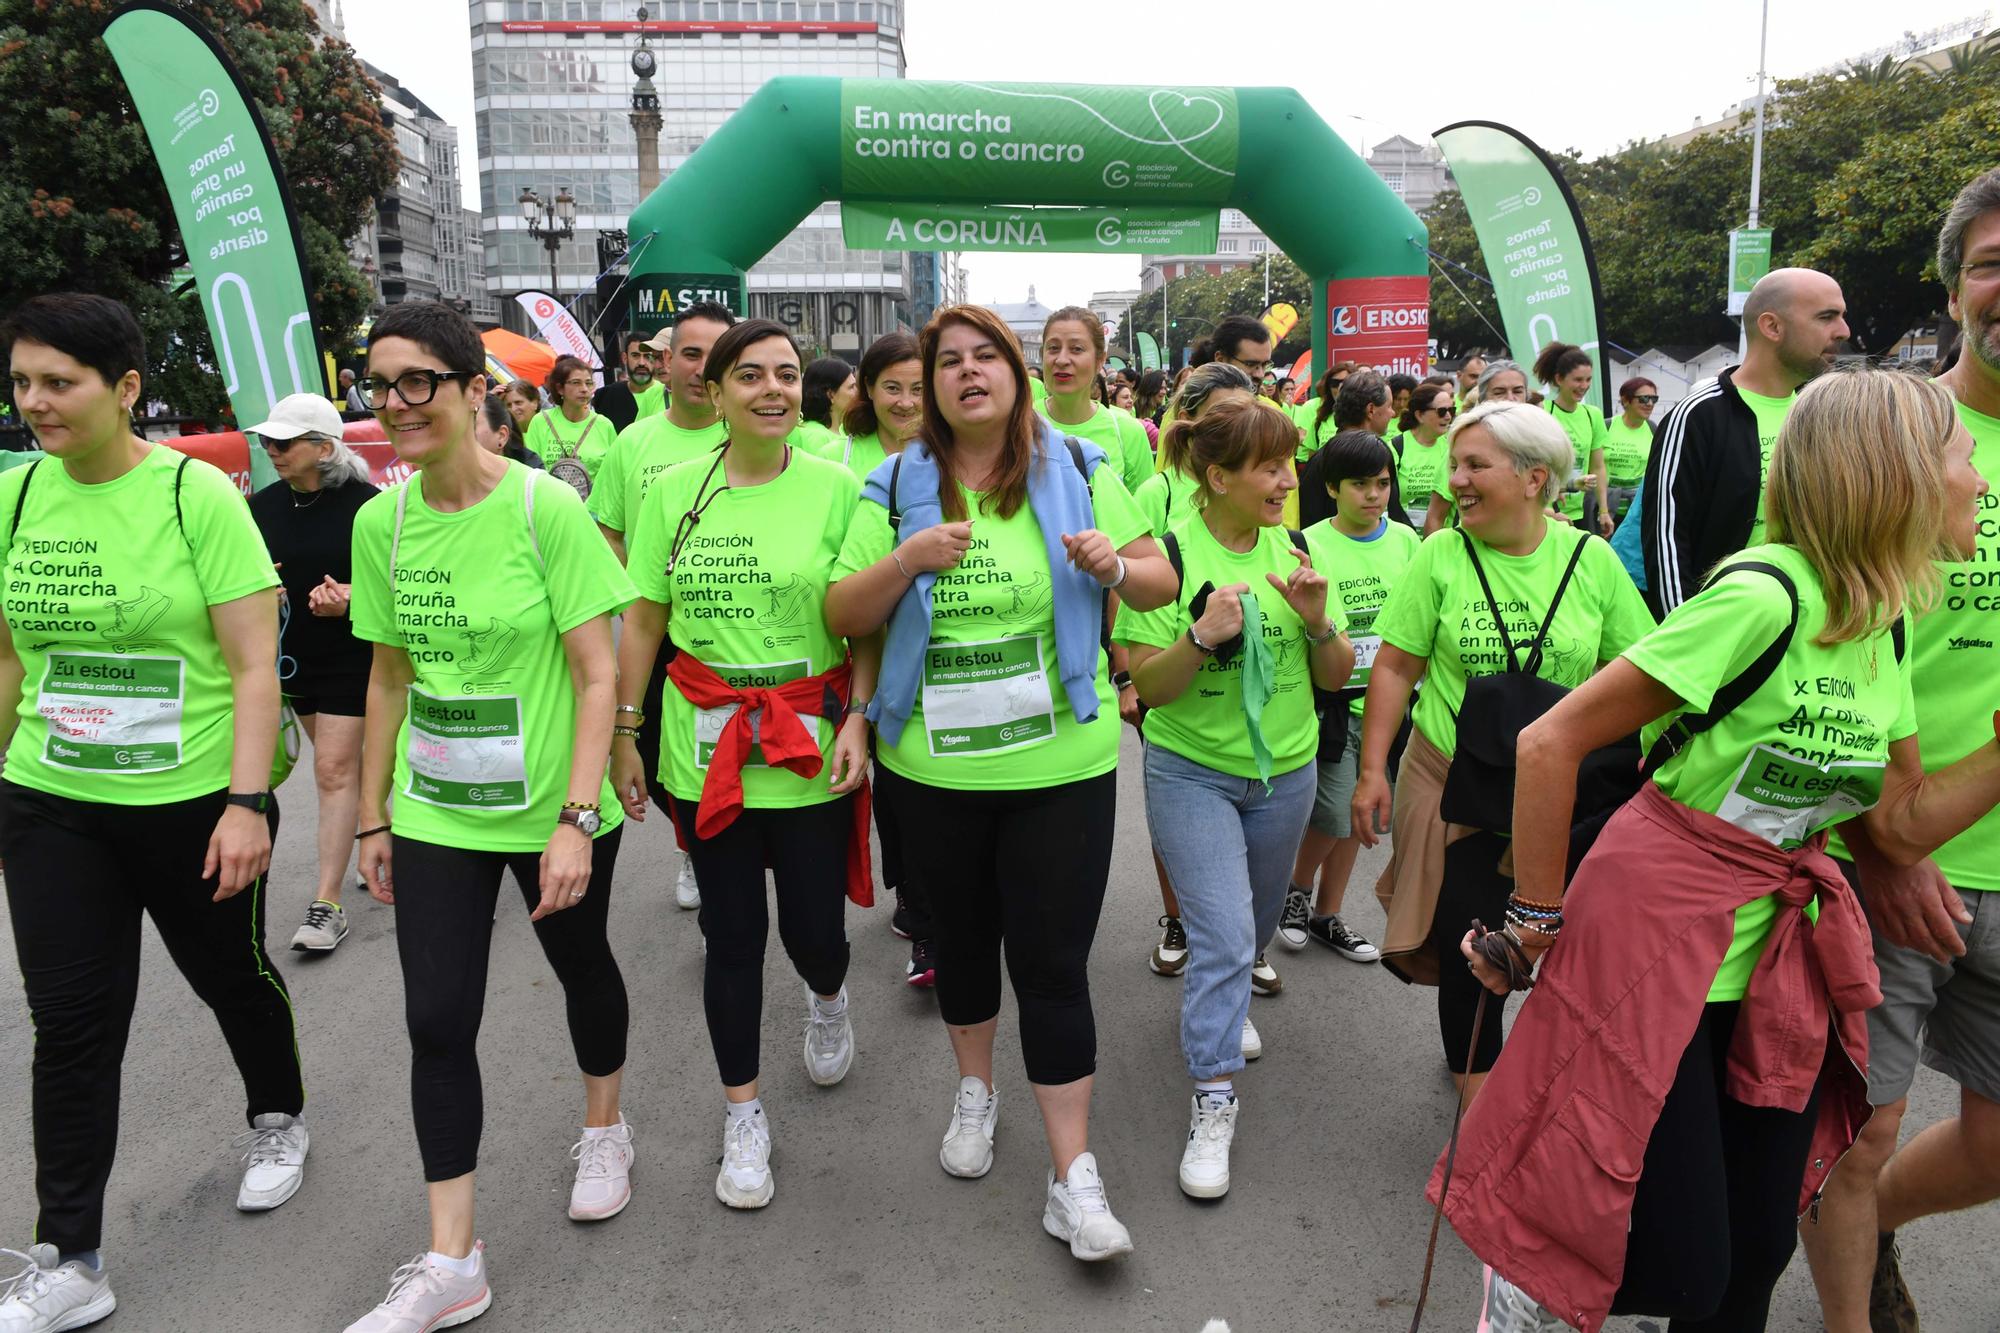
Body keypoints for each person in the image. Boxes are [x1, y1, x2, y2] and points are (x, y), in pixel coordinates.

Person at [1448, 368, 1996, 1333]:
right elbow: (1550, 741)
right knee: (1688, 1262)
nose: (1980, 482)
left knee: (1757, 1254)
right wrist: (1535, 918)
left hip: (1780, 952)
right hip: (1654, 930)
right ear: (1900, 473)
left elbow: (1901, 825)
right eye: (1964, 458)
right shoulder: (1763, 594)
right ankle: (1529, 1282)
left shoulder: (1887, 617)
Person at [823, 303, 1174, 1263]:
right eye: (950, 361)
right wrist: (908, 558)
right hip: (933, 769)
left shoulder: (1085, 467)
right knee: (966, 947)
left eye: (989, 357)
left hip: (1062, 763)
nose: (970, 372)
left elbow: (1159, 580)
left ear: (1017, 373)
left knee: (1055, 963)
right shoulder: (894, 481)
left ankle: (1073, 1176)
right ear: (928, 384)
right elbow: (842, 610)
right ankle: (975, 1093)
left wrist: (1115, 563)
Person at [0, 294, 300, 1333]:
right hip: (51, 800)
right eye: (23, 379)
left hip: (188, 803)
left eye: (59, 382)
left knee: (230, 976)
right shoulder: (14, 498)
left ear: (126, 389)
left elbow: (256, 666)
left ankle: (276, 1116)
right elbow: (6, 656)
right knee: (70, 1027)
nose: (35, 401)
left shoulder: (194, 497)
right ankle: (71, 1254)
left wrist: (247, 801)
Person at [343, 301, 638, 1333]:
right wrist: (372, 816)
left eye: (416, 381)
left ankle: (605, 1125)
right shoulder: (380, 521)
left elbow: (596, 674)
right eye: (378, 384)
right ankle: (451, 1255)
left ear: (477, 392)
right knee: (436, 1018)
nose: (393, 404)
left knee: (580, 968)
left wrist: (573, 813)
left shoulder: (539, 510)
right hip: (437, 810)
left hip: (551, 805)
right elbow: (388, 676)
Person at [611, 319, 874, 1210]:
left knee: (814, 933)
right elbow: (644, 618)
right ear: (713, 392)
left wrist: (859, 721)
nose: (772, 390)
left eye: (787, 375)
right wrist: (624, 731)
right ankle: (743, 1115)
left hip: (805, 741)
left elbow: (864, 619)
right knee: (730, 938)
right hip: (703, 746)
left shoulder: (841, 489)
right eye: (750, 375)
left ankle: (829, 996)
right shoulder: (674, 492)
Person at [1804, 170, 2000, 1333]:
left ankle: (1868, 1227)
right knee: (1856, 1129)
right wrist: (1881, 841)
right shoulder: (1895, 433)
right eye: (1991, 264)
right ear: (1953, 286)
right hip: (1896, 858)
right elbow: (1829, 646)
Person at [1355, 401, 1652, 1102]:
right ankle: (1482, 1102)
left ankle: (1520, 1072)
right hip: (1454, 784)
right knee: (1471, 948)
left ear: (1533, 477)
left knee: (1557, 947)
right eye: (1454, 463)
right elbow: (1395, 666)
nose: (1453, 480)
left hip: (1558, 794)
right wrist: (1373, 769)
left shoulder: (1593, 559)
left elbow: (1638, 675)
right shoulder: (1441, 554)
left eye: (1473, 465)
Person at [1117, 399, 1354, 1198]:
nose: (1287, 479)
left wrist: (1319, 623)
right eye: (1268, 466)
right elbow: (1148, 688)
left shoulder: (1297, 548)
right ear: (1217, 477)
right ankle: (1213, 1098)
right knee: (1219, 936)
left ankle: (1219, 998)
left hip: (1283, 774)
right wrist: (1200, 636)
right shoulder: (1169, 558)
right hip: (1192, 772)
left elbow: (1335, 675)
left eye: (1289, 463)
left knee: (1248, 933)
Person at [588, 302, 736, 913]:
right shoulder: (634, 442)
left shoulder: (754, 428)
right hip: (659, 633)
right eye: (692, 354)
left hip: (737, 632)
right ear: (665, 362)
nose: (704, 369)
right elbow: (608, 530)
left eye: (719, 357)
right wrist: (638, 593)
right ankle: (697, 855)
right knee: (673, 759)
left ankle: (738, 863)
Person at [1127, 363, 1258, 980]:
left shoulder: (1260, 486)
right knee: (1175, 802)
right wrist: (1127, 678)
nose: (1240, 426)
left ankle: (1237, 937)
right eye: (1225, 414)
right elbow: (1128, 586)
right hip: (1174, 668)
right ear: (1191, 417)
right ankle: (1181, 918)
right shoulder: (1158, 493)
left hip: (1252, 692)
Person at [247, 392, 379, 954]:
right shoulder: (263, 505)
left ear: (324, 448)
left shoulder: (369, 505)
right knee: (343, 769)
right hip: (293, 657)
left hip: (355, 656)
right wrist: (263, 586)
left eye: (283, 441)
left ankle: (326, 905)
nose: (270, 449)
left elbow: (401, 584)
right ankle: (382, 834)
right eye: (265, 441)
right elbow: (245, 576)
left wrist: (353, 597)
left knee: (331, 771)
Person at [1282, 429, 1420, 964]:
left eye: (1382, 483)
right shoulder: (1308, 542)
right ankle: (1295, 892)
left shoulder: (1408, 541)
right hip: (1336, 706)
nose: (1374, 495)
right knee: (1336, 814)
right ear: (1332, 487)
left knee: (1361, 823)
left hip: (1393, 708)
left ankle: (1326, 915)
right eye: (1360, 484)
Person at [822, 331, 934, 985]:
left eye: (919, 386)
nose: (905, 400)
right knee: (891, 790)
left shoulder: (954, 451)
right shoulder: (840, 455)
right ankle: (915, 901)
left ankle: (931, 913)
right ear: (867, 389)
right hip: (864, 638)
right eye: (891, 385)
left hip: (940, 651)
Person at [1642, 266, 1849, 619]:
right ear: (1772, 327)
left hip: (1808, 633)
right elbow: (1666, 543)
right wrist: (1692, 644)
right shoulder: (1698, 414)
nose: (1844, 331)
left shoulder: (1822, 413)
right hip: (1724, 636)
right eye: (1827, 317)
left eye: (1842, 316)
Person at [1038, 306, 1155, 496]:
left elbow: (1147, 514)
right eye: (1053, 348)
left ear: (1100, 360)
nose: (1061, 359)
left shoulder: (1127, 431)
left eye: (1076, 349)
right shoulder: (1017, 425)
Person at [1423, 361, 1531, 534]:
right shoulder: (1464, 448)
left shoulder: (1539, 446)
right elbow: (1435, 516)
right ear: (1482, 400)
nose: (1511, 398)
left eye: (1518, 391)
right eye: (1499, 392)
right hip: (1468, 552)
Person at [1532, 341, 1613, 537]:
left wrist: (1603, 511)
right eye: (1577, 380)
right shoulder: (1543, 411)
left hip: (1579, 510)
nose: (1583, 386)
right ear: (1559, 379)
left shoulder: (1592, 414)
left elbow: (1598, 467)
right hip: (1545, 510)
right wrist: (1548, 510)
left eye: (1588, 380)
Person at [823, 331, 921, 481]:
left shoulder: (949, 458)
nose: (905, 403)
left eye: (918, 389)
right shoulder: (834, 458)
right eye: (892, 388)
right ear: (869, 387)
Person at [523, 355, 612, 493]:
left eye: (588, 383)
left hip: (591, 510)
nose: (584, 389)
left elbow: (611, 475)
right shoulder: (541, 421)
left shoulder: (604, 425)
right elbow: (530, 471)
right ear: (560, 388)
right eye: (576, 382)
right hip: (549, 504)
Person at [1388, 382, 1454, 528]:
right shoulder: (1396, 448)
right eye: (1442, 411)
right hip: (1404, 540)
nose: (1448, 416)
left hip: (1441, 541)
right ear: (1420, 415)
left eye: (1452, 410)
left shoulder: (1453, 449)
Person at [1600, 376, 1657, 523]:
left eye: (1654, 399)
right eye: (1644, 398)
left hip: (1637, 511)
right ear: (1626, 400)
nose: (1650, 404)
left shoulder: (1653, 430)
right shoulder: (1606, 426)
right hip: (1605, 510)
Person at [590, 333, 665, 434]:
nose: (641, 363)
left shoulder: (669, 394)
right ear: (625, 358)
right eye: (635, 355)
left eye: (647, 356)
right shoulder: (607, 396)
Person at [789, 356, 855, 455]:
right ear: (831, 395)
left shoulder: (843, 431)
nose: (857, 392)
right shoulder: (816, 437)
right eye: (851, 387)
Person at [475, 394, 543, 470]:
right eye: (509, 405)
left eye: (471, 425)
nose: (513, 409)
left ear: (501, 435)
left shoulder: (531, 476)